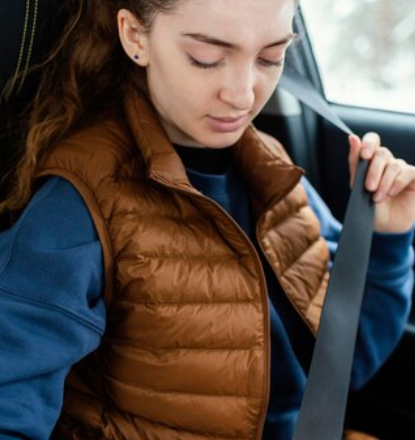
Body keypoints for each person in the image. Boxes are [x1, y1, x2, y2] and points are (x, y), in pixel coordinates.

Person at [0, 0, 414, 439]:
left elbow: (341, 367)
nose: (243, 94)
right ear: (135, 37)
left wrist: (386, 237)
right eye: (207, 58)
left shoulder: (272, 170)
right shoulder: (77, 208)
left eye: (270, 57)